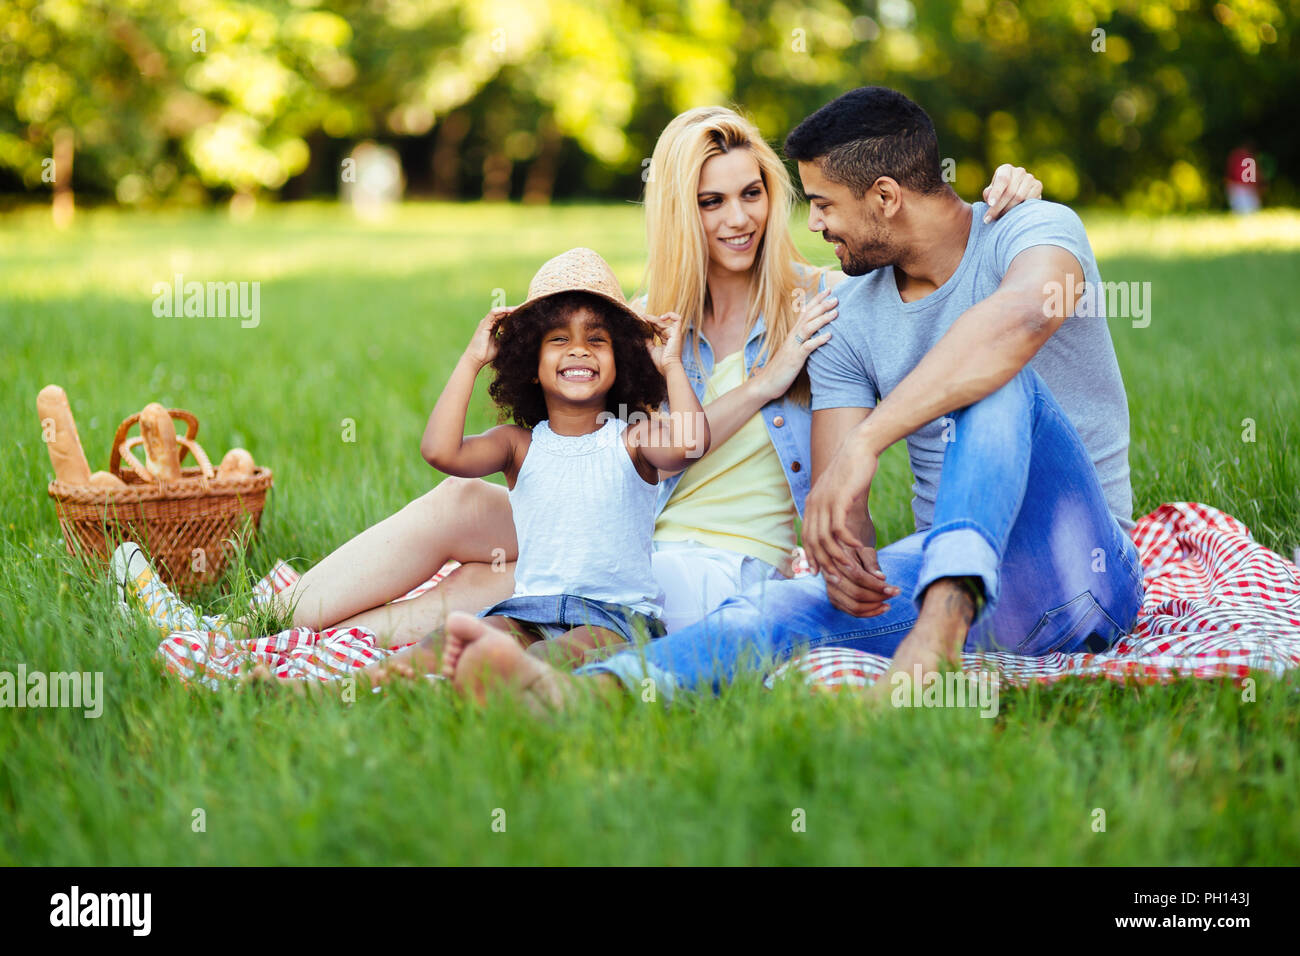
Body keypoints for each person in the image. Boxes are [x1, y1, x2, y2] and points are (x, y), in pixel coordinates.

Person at [116, 106, 1042, 660]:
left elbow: (933, 259)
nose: (737, 217)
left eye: (752, 191)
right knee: (460, 506)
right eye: (709, 199)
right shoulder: (640, 324)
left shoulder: (821, 307)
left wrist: (1004, 192)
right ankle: (247, 623)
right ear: (678, 210)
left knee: (515, 577)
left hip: (686, 564)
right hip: (626, 520)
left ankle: (278, 648)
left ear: (777, 194)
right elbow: (597, 446)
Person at [434, 87, 1145, 710]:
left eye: (826, 205)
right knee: (764, 613)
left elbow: (1019, 320)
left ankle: (936, 641)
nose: (813, 225)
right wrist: (841, 560)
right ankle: (580, 695)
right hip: (937, 580)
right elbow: (839, 504)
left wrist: (873, 439)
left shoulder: (1032, 228)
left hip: (1082, 566)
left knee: (1000, 377)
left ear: (887, 198)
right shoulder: (853, 314)